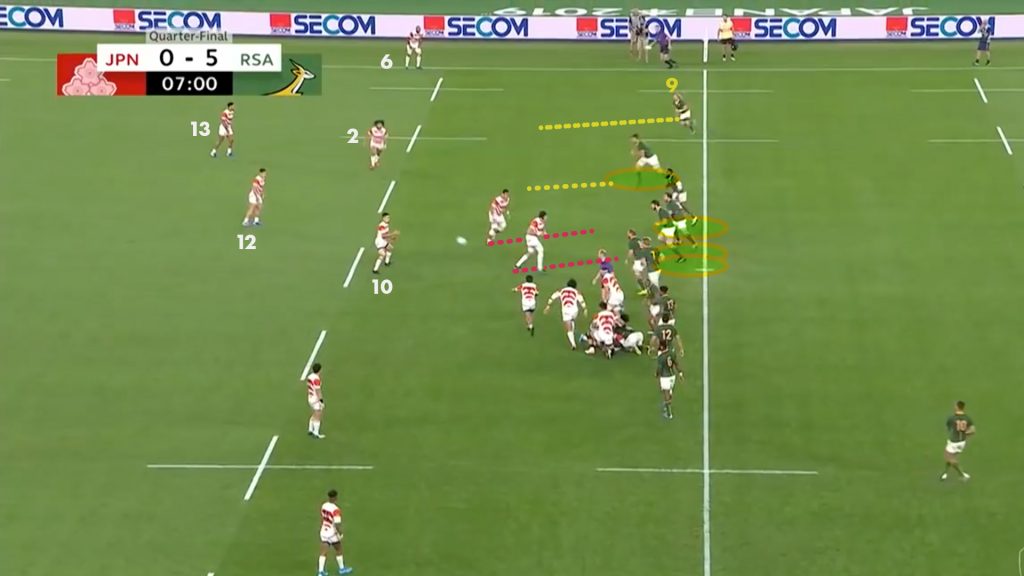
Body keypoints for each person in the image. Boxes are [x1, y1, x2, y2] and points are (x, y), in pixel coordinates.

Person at [543, 278, 587, 350]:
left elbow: (553, 296)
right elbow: (581, 300)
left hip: (566, 311)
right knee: (572, 322)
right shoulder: (576, 292)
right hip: (575, 311)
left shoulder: (561, 290)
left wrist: (548, 305)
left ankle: (573, 344)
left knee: (569, 329)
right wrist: (585, 309)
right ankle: (581, 336)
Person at [318, 489, 354, 575]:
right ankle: (342, 569)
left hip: (324, 531)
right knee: (338, 549)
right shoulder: (336, 510)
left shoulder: (324, 505)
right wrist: (340, 533)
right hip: (332, 533)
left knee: (323, 552)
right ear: (335, 497)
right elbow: (337, 524)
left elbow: (323, 517)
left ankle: (320, 572)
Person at [941, 400, 975, 481]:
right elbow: (972, 430)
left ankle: (962, 474)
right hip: (962, 442)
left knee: (948, 457)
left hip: (954, 441)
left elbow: (948, 428)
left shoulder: (952, 418)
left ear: (957, 407)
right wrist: (965, 433)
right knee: (952, 456)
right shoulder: (967, 418)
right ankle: (945, 473)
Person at [655, 345, 679, 419]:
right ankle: (667, 404)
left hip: (665, 377)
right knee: (670, 391)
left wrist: (657, 374)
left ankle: (669, 413)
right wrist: (680, 372)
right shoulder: (672, 353)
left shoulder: (661, 357)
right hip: (672, 376)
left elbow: (659, 368)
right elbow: (676, 363)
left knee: (666, 394)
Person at [306, 363, 326, 439]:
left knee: (314, 414)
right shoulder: (316, 379)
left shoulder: (310, 376)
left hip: (310, 397)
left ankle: (310, 429)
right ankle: (316, 433)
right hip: (315, 399)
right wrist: (321, 401)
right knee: (318, 415)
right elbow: (318, 390)